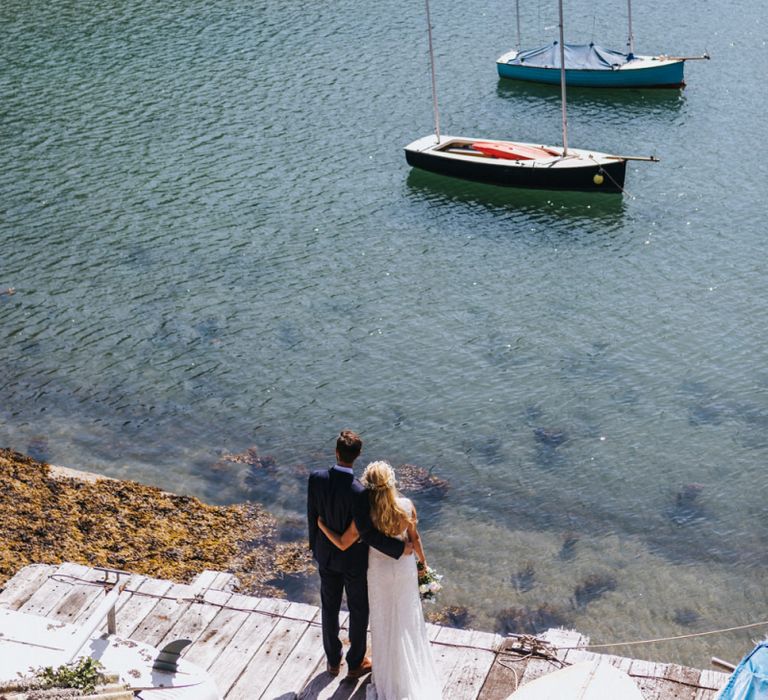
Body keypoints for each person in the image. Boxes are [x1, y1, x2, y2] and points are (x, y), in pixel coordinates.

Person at [317, 460, 442, 700]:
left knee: (383, 621)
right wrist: (423, 566)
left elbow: (343, 542)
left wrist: (323, 527)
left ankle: (386, 675)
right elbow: (415, 540)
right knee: (406, 619)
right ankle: (408, 671)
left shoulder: (365, 514)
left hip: (378, 572)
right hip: (403, 570)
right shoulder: (406, 506)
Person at [307, 431, 412, 680]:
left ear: (336, 452)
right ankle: (355, 663)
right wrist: (400, 549)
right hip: (353, 561)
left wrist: (315, 547)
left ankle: (333, 661)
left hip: (326, 556)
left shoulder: (316, 478)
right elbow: (368, 534)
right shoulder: (360, 492)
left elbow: (312, 515)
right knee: (358, 609)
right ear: (358, 457)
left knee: (329, 607)